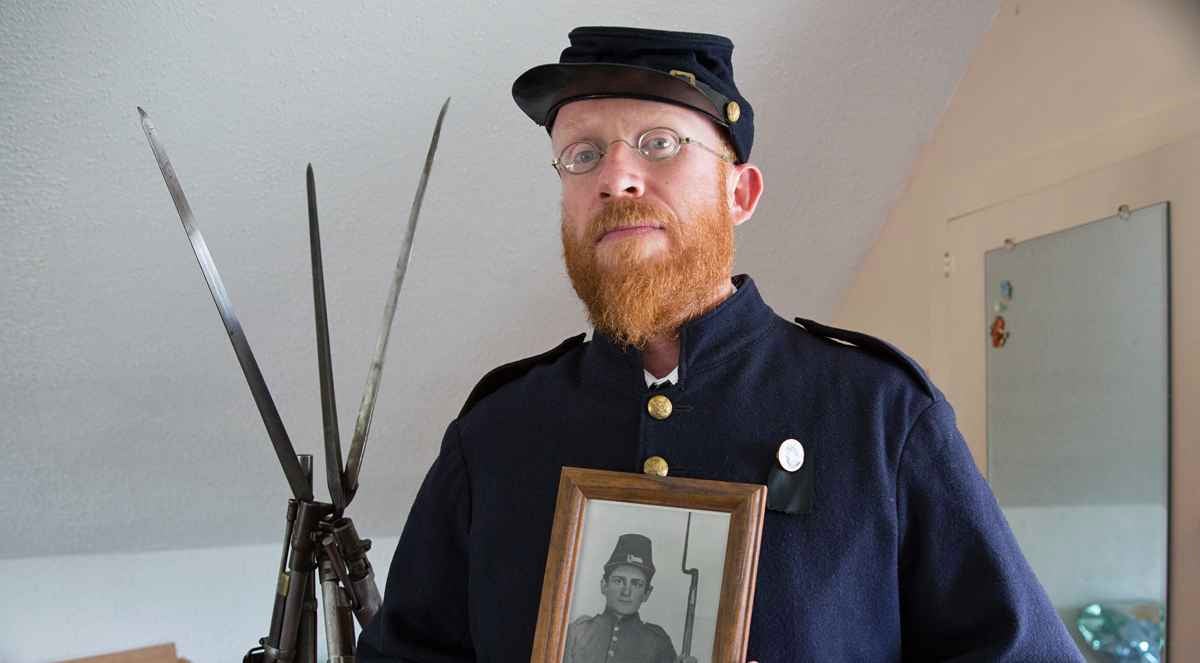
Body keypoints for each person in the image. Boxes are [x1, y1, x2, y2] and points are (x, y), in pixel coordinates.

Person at [358, 26, 1084, 661]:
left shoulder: (881, 416)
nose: (616, 177)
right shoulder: (494, 434)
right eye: (582, 155)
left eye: (659, 144)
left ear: (740, 193)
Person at [562, 533, 678, 663]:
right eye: (619, 581)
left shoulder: (658, 642)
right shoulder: (578, 632)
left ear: (647, 593)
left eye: (636, 584)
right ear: (604, 585)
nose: (626, 591)